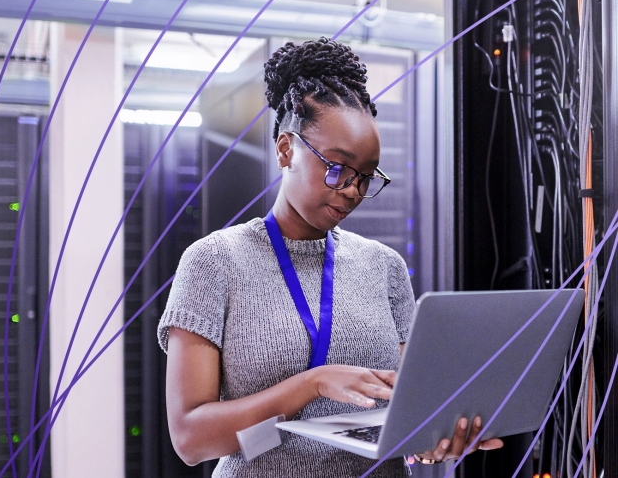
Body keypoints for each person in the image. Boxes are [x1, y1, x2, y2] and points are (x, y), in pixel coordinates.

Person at [158, 37, 503, 477]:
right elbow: (190, 439)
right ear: (286, 149)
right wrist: (313, 384)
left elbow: (405, 409)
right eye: (337, 168)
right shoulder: (214, 262)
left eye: (365, 176)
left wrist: (433, 438)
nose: (352, 191)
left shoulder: (384, 267)